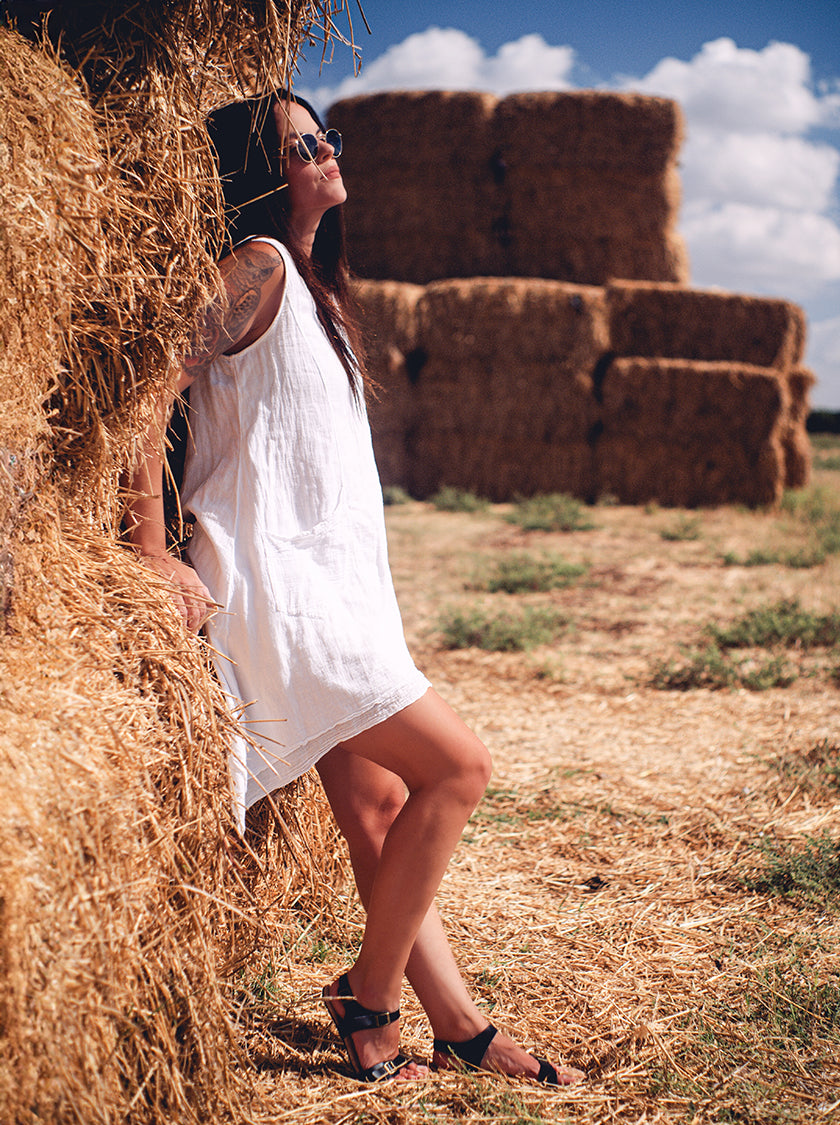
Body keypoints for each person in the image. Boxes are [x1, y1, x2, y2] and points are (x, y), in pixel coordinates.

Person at [124, 90, 582, 1087]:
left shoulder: (319, 286)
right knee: (458, 770)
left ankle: (455, 1023)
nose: (327, 150)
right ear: (264, 170)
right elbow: (147, 386)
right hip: (278, 589)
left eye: (325, 134)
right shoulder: (258, 264)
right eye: (302, 144)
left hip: (338, 585)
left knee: (376, 810)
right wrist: (151, 547)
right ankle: (368, 998)